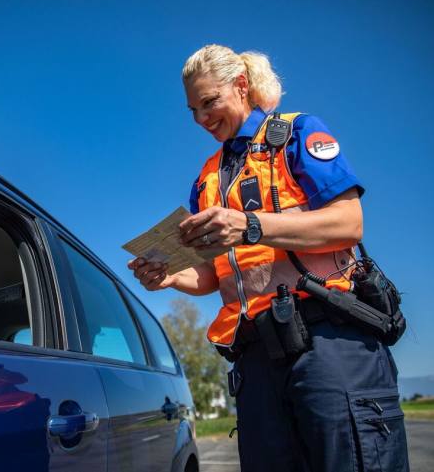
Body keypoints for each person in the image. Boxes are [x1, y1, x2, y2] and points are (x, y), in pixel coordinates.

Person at [128, 44, 408, 472]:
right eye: (192, 110)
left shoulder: (295, 133)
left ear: (240, 86)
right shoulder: (205, 179)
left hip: (327, 343)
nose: (201, 118)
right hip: (255, 358)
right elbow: (211, 275)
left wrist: (250, 225)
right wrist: (169, 277)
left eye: (209, 102)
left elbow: (349, 223)